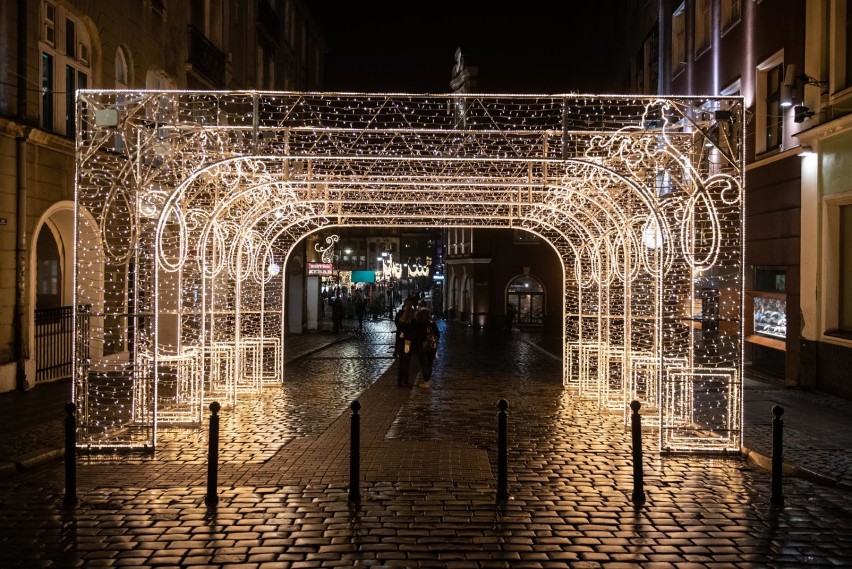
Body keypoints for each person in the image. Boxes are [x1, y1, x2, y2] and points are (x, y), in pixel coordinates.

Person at [410, 306, 440, 388]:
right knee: (430, 363)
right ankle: (428, 380)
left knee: (424, 364)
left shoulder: (417, 323)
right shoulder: (431, 323)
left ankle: (426, 381)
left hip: (421, 347)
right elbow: (437, 334)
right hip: (432, 347)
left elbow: (414, 335)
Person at [395, 302, 416, 386]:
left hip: (399, 343)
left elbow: (397, 334)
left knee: (401, 363)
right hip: (407, 343)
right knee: (406, 363)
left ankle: (399, 381)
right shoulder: (411, 322)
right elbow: (412, 334)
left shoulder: (400, 322)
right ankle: (405, 381)